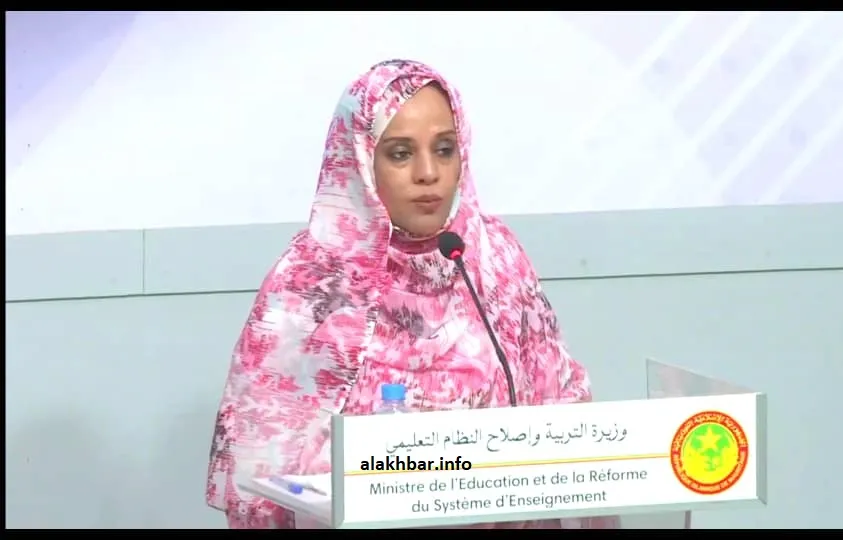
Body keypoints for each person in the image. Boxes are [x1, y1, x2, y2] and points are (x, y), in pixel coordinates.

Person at [205, 59, 617, 529]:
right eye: (401, 154)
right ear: (360, 161)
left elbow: (563, 415)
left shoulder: (494, 260)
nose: (428, 173)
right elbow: (261, 471)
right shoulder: (311, 281)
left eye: (444, 150)